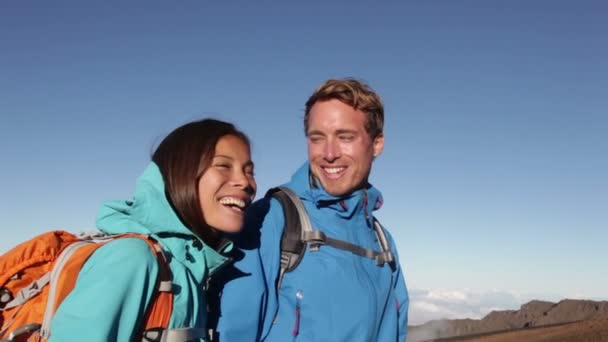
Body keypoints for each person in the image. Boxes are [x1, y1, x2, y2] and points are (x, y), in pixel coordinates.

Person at [213, 79, 409, 341]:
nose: (329, 153)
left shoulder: (382, 242)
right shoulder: (271, 220)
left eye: (345, 137)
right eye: (317, 138)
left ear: (376, 144)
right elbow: (233, 333)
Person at [48, 118, 257, 341]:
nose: (245, 182)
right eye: (223, 165)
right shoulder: (132, 257)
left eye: (249, 171)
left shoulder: (192, 266)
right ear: (180, 173)